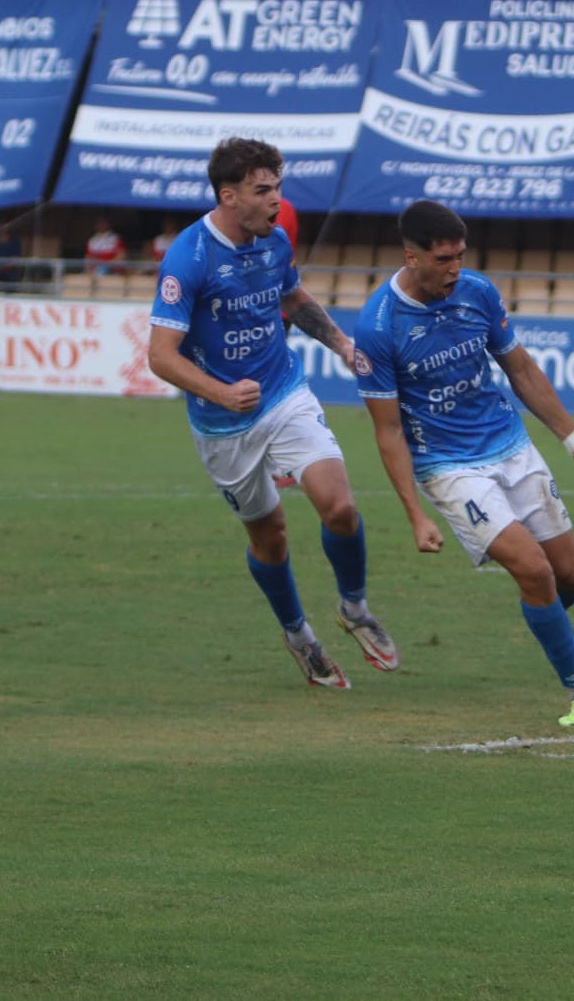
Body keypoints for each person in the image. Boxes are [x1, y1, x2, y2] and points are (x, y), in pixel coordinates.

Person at [147, 138, 396, 690]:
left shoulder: (275, 239)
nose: (276, 201)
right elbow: (159, 356)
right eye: (264, 191)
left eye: (278, 187)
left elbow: (293, 299)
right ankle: (299, 635)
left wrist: (341, 344)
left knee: (340, 506)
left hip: (283, 393)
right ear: (229, 196)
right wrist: (219, 392)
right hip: (223, 423)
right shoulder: (188, 257)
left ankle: (354, 606)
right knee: (271, 538)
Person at [354, 201, 574, 730]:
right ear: (412, 255)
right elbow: (387, 431)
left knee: (568, 575)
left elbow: (520, 367)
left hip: (511, 446)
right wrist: (415, 515)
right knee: (534, 570)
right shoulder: (379, 326)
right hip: (449, 466)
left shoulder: (479, 292)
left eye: (460, 256)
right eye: (444, 258)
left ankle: (551, 628)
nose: (455, 268)